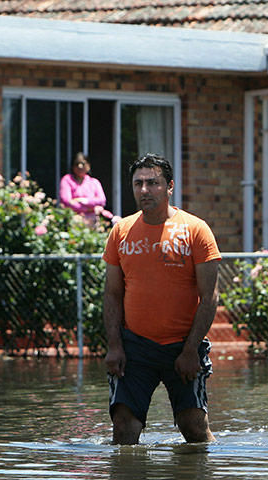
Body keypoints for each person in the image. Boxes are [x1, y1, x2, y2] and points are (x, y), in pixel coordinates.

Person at [102, 152, 221, 445]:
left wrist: (191, 348)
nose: (144, 190)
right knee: (124, 428)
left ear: (169, 187)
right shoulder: (121, 232)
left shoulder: (195, 230)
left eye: (152, 183)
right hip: (135, 347)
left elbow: (209, 297)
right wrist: (114, 345)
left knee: (193, 427)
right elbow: (113, 293)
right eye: (138, 184)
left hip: (182, 345)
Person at [59, 152, 106, 226]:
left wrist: (83, 200)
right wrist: (89, 209)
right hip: (74, 221)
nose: (80, 166)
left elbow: (102, 201)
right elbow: (67, 202)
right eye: (77, 164)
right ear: (72, 166)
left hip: (93, 223)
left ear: (88, 166)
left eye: (83, 164)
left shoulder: (94, 182)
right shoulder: (67, 180)